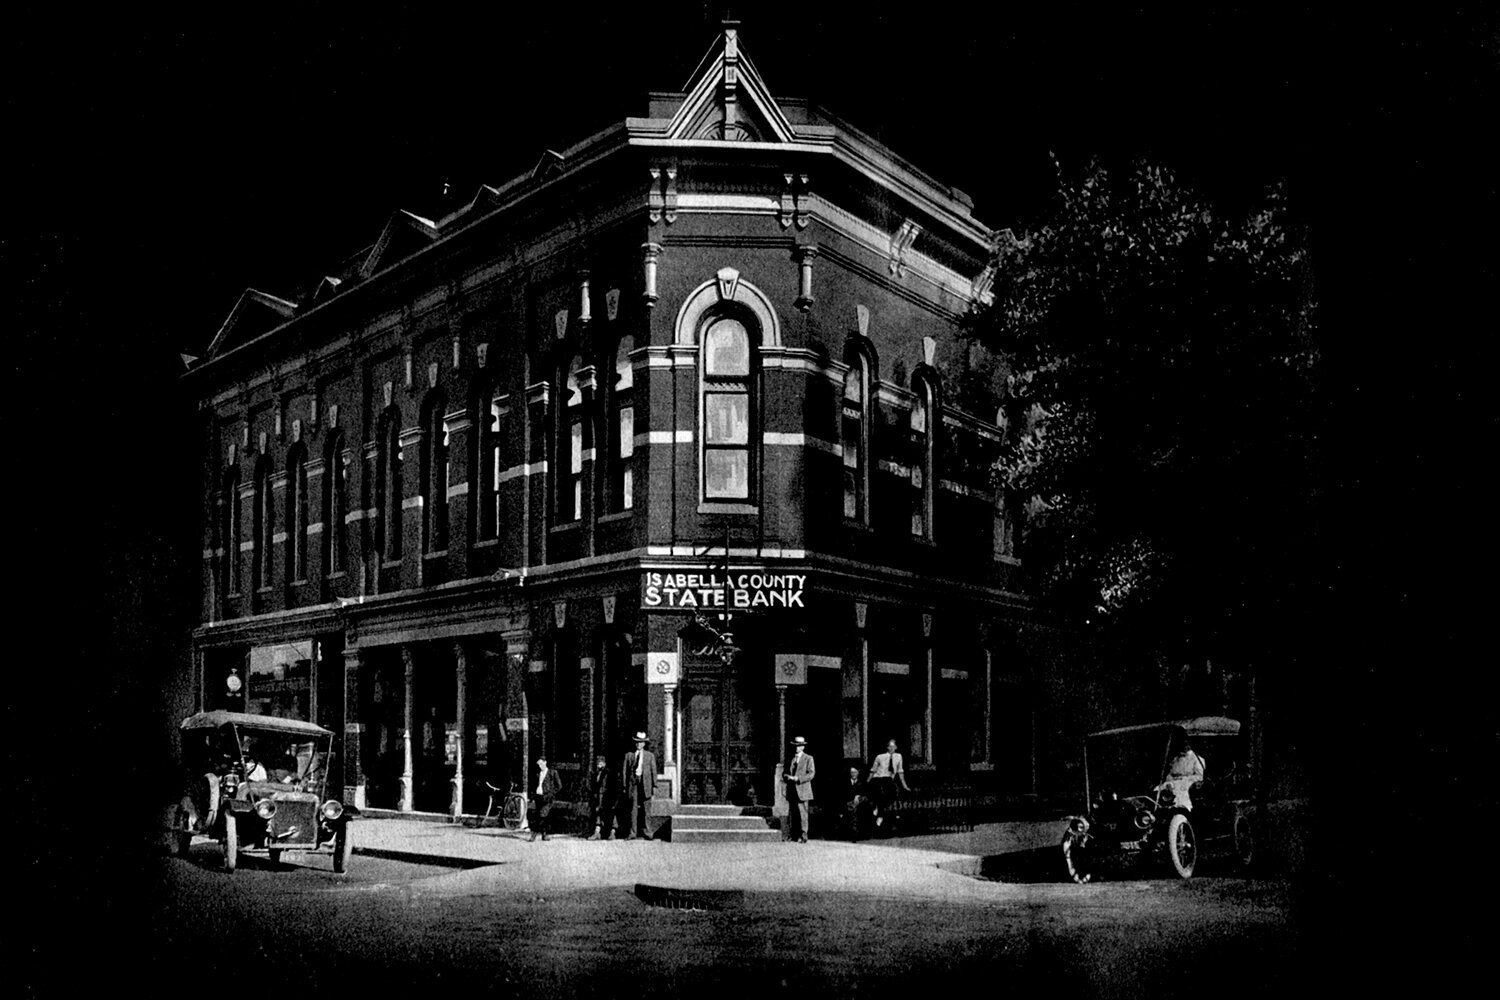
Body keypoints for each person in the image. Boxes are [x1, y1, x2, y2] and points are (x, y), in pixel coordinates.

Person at [867, 739, 911, 833]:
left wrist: (905, 785)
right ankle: (880, 815)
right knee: (881, 793)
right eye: (889, 746)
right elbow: (873, 770)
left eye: (893, 746)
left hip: (888, 778)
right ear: (887, 747)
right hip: (878, 778)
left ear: (896, 747)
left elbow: (900, 771)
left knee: (893, 793)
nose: (891, 748)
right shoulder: (880, 757)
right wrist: (868, 781)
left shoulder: (899, 756)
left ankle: (878, 809)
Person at [621, 732, 656, 840]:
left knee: (646, 809)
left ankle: (648, 832)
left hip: (645, 784)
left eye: (640, 742)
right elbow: (624, 772)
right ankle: (632, 832)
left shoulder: (650, 756)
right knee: (633, 809)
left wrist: (654, 786)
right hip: (633, 784)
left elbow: (653, 771)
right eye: (636, 742)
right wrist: (625, 786)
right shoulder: (629, 755)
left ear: (644, 743)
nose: (638, 744)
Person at [783, 736, 815, 843]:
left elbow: (811, 774)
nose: (796, 748)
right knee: (793, 813)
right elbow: (785, 772)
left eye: (799, 746)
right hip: (792, 790)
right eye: (795, 746)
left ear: (803, 747)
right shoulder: (791, 758)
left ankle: (803, 835)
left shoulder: (808, 758)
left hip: (803, 790)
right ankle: (793, 835)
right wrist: (786, 776)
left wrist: (799, 779)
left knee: (803, 814)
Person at [1160, 736, 1206, 810]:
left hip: (1187, 782)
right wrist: (1169, 782)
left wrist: (1183, 778)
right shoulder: (1176, 759)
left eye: (1186, 744)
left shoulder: (1197, 759)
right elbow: (1170, 773)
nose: (1185, 746)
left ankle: (1180, 810)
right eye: (1183, 744)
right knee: (1159, 789)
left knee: (1180, 792)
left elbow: (1199, 776)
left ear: (1190, 745)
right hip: (1173, 782)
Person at [531, 755, 562, 841]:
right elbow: (535, 784)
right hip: (539, 797)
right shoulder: (538, 773)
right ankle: (544, 834)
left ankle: (534, 834)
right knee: (541, 816)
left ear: (545, 762)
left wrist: (551, 794)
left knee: (541, 816)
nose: (540, 766)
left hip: (547, 799)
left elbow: (559, 786)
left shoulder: (552, 773)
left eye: (541, 764)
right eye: (538, 764)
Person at [586, 754, 614, 840]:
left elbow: (612, 786)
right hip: (598, 797)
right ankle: (597, 832)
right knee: (598, 814)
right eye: (598, 763)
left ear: (604, 763)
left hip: (607, 797)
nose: (599, 764)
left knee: (611, 814)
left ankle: (612, 833)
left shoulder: (608, 773)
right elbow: (591, 785)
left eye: (601, 763)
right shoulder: (595, 773)